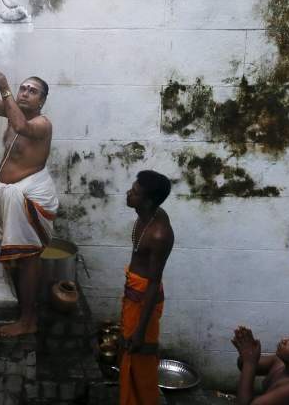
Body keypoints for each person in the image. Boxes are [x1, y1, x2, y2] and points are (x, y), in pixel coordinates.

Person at [0, 70, 59, 337]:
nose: (24, 93)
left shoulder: (42, 124)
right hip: (12, 193)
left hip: (31, 196)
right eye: (23, 88)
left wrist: (4, 87)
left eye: (32, 91)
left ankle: (28, 320)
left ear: (42, 102)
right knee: (20, 259)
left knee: (28, 259)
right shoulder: (12, 113)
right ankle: (24, 316)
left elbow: (23, 127)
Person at [119, 170, 174, 405]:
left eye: (135, 193)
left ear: (148, 201)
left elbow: (153, 283)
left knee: (141, 360)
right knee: (127, 354)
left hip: (145, 303)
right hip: (133, 294)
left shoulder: (159, 234)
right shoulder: (146, 215)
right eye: (132, 188)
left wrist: (140, 331)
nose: (129, 193)